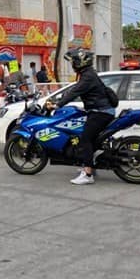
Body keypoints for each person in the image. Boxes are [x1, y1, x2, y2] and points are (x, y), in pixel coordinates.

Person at [54, 48, 116, 185]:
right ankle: (90, 164)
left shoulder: (88, 76)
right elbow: (77, 90)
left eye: (74, 62)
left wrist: (58, 104)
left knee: (85, 139)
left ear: (80, 62)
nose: (72, 65)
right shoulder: (88, 74)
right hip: (100, 110)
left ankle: (88, 174)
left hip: (101, 112)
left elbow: (74, 92)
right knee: (90, 138)